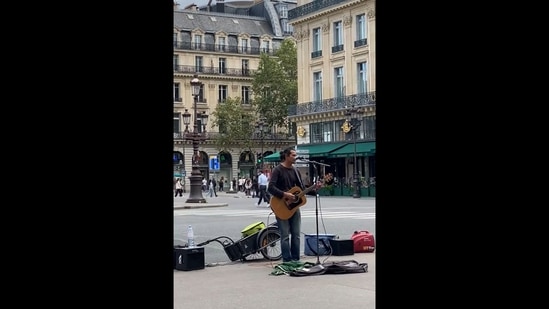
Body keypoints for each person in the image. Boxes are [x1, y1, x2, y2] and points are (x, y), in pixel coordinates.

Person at [268, 147, 320, 262]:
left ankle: (296, 260)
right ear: (286, 156)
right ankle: (287, 260)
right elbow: (270, 188)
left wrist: (314, 189)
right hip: (281, 206)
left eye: (296, 155)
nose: (295, 157)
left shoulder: (295, 171)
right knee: (285, 236)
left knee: (296, 235)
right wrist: (285, 194)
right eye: (293, 155)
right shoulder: (278, 170)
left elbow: (301, 189)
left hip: (294, 208)